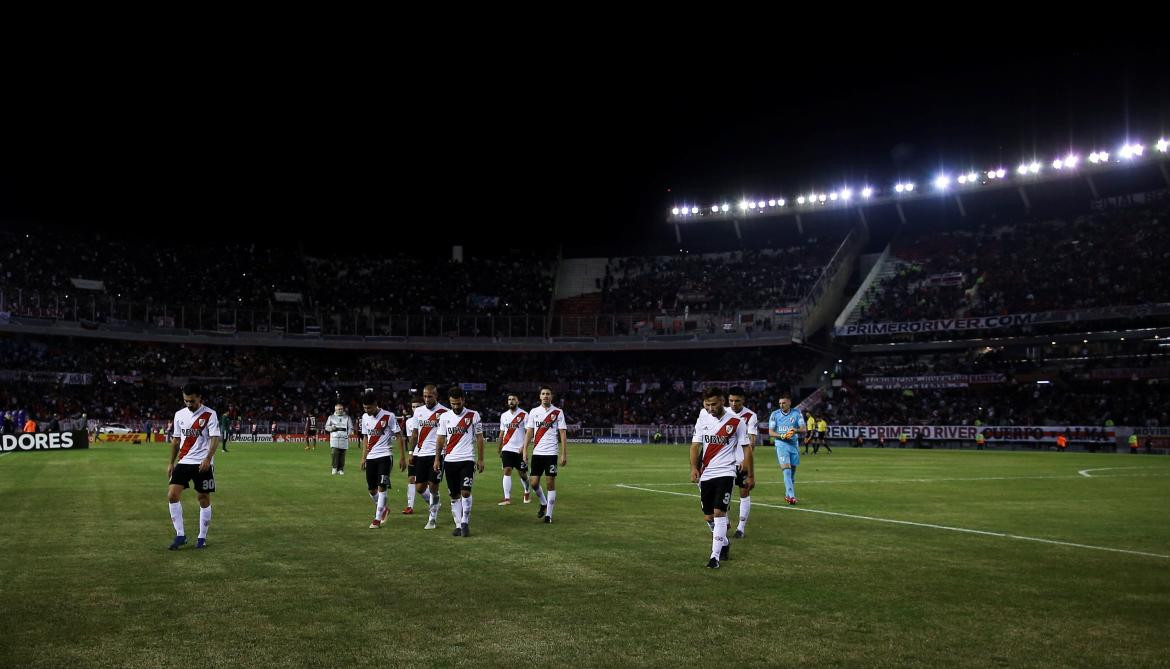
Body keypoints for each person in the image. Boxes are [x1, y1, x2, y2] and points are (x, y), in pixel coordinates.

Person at [690, 387, 751, 569]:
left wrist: (746, 466)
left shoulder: (737, 422)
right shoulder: (702, 417)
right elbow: (695, 445)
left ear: (722, 401)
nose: (710, 408)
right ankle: (724, 542)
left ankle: (714, 558)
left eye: (714, 404)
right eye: (707, 405)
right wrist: (694, 467)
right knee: (709, 517)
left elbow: (746, 447)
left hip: (726, 473)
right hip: (706, 473)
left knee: (719, 513)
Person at [166, 384, 221, 550]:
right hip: (184, 462)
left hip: (202, 463)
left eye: (192, 401)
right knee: (172, 495)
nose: (188, 404)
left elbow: (215, 438)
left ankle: (202, 537)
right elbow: (176, 440)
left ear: (200, 398)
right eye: (185, 400)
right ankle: (180, 535)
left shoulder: (210, 414)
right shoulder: (179, 415)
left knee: (203, 499)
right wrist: (171, 462)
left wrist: (208, 458)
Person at [434, 387, 485, 537]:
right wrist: (437, 458)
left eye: (458, 403)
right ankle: (457, 525)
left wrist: (480, 459)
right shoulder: (444, 417)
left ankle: (464, 522)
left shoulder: (473, 415)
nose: (456, 407)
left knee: (465, 492)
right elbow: (440, 439)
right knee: (454, 495)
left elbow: (480, 438)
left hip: (467, 459)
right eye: (453, 404)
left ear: (463, 400)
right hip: (449, 460)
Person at [359, 389, 405, 529]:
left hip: (385, 456)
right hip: (371, 457)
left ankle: (377, 518)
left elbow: (398, 436)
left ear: (375, 404)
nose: (367, 410)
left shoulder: (389, 416)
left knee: (382, 486)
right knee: (372, 490)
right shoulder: (365, 417)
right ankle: (384, 509)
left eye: (369, 407)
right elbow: (366, 437)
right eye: (365, 408)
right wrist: (363, 458)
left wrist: (402, 457)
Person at [524, 386, 568, 523]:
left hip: (551, 453)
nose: (545, 396)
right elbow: (529, 431)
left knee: (550, 483)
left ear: (551, 396)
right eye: (543, 394)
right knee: (534, 483)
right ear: (540, 396)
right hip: (537, 452)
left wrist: (563, 454)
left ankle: (549, 515)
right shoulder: (533, 412)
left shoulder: (558, 412)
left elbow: (562, 433)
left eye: (548, 394)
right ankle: (543, 503)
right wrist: (525, 449)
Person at [411, 386, 449, 529]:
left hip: (437, 454)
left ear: (436, 395)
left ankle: (432, 518)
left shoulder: (445, 412)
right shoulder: (419, 412)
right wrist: (411, 452)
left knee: (433, 486)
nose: (427, 399)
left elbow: (448, 435)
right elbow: (415, 433)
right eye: (425, 396)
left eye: (430, 396)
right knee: (420, 488)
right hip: (421, 454)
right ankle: (435, 503)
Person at [726, 387, 758, 540]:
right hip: (724, 463)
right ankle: (724, 521)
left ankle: (741, 528)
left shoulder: (750, 416)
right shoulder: (723, 413)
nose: (733, 404)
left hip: (741, 462)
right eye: (731, 400)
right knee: (723, 493)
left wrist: (746, 462)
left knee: (744, 492)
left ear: (743, 400)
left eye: (737, 401)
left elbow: (752, 442)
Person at [767, 393, 805, 505]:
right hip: (781, 444)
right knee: (786, 470)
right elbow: (770, 432)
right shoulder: (775, 414)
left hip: (794, 445)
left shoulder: (797, 413)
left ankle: (787, 495)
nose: (781, 405)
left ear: (789, 402)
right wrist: (782, 436)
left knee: (792, 472)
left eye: (783, 403)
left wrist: (795, 430)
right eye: (780, 403)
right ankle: (792, 496)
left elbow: (803, 429)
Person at [497, 392, 532, 505]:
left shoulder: (524, 415)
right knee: (507, 470)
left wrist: (524, 447)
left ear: (517, 401)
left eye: (513, 399)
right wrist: (500, 447)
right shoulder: (504, 416)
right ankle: (507, 498)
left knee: (522, 473)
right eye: (509, 399)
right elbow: (502, 432)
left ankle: (527, 491)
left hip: (520, 449)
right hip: (507, 448)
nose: (511, 401)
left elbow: (528, 432)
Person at [325, 403, 353, 475]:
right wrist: (332, 428)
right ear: (335, 410)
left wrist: (349, 433)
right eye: (339, 409)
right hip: (335, 438)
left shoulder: (347, 417)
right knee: (334, 452)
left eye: (341, 409)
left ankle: (340, 469)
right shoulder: (331, 417)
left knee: (342, 454)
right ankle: (334, 468)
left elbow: (350, 427)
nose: (340, 410)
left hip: (344, 438)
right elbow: (326, 427)